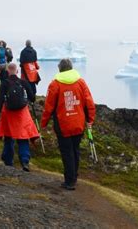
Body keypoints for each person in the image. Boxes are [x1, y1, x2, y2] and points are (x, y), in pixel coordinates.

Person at [41, 58, 96, 190]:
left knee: (67, 152)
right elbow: (89, 103)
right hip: (78, 123)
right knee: (75, 150)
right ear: (71, 68)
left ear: (59, 69)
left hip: (63, 124)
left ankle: (69, 181)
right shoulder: (81, 82)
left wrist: (43, 123)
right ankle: (74, 177)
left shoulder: (55, 84)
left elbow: (49, 107)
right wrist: (90, 120)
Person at [0, 63, 39, 171]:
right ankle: (24, 161)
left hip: (9, 114)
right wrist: (28, 99)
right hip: (22, 113)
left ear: (8, 71)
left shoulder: (5, 83)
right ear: (17, 71)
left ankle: (8, 161)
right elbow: (32, 98)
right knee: (23, 137)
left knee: (8, 137)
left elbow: (0, 98)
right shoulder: (23, 82)